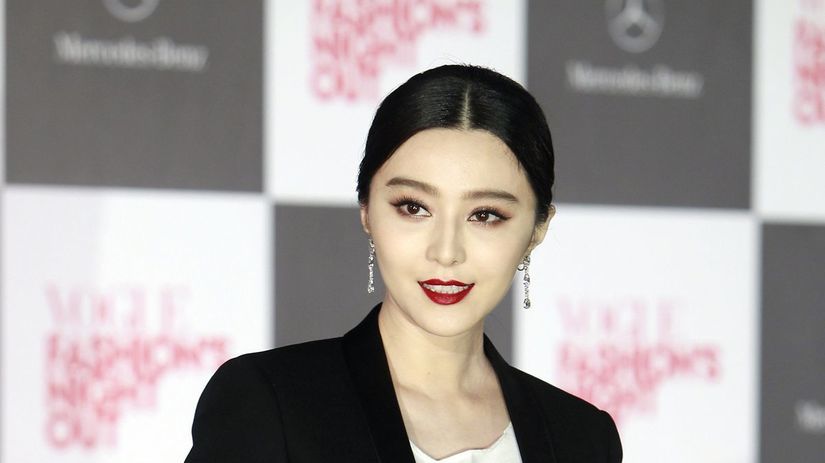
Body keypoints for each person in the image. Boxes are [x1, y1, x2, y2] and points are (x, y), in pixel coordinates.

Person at [185, 64, 622, 462]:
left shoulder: (583, 438)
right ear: (367, 211)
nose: (446, 251)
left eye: (485, 215)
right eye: (414, 208)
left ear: (538, 229)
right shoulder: (271, 402)